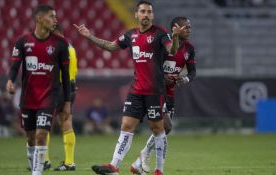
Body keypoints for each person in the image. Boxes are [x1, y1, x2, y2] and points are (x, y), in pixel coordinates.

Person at [73, 1, 184, 175]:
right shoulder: (130, 35)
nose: (146, 14)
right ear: (137, 15)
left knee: (158, 129)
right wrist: (89, 36)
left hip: (155, 91)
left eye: (149, 12)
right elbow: (110, 47)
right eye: (142, 11)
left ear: (152, 16)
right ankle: (114, 166)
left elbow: (172, 51)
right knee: (126, 125)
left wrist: (176, 37)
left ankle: (159, 170)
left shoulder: (161, 33)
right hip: (136, 90)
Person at [6, 4, 71, 175]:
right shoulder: (23, 41)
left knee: (42, 135)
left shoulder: (61, 43)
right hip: (28, 98)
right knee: (31, 137)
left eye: (55, 17)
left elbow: (66, 75)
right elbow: (14, 66)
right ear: (39, 18)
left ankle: (37, 173)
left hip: (49, 97)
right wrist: (10, 81)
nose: (55, 20)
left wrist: (67, 102)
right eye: (51, 16)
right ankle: (33, 162)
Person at [130, 16, 196, 174]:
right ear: (175, 28)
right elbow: (148, 65)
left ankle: (139, 162)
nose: (189, 30)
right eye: (186, 27)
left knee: (165, 130)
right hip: (156, 90)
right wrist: (160, 77)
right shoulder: (163, 45)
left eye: (190, 27)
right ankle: (150, 161)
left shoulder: (189, 48)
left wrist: (185, 78)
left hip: (171, 92)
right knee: (166, 126)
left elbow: (193, 71)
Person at [44, 24, 77, 171]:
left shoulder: (58, 47)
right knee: (66, 121)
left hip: (58, 88)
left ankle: (44, 160)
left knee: (44, 122)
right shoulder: (70, 47)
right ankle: (69, 162)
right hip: (70, 87)